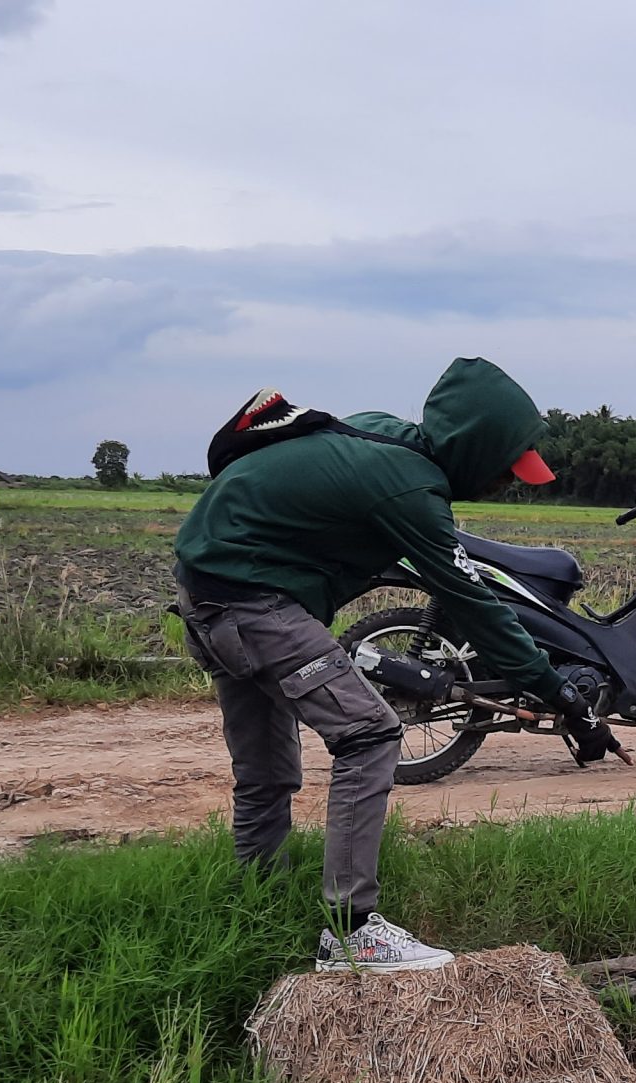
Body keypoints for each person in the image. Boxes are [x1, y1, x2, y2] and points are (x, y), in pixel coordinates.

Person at [171, 357, 605, 971]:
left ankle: (255, 904)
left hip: (206, 592)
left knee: (267, 769)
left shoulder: (384, 434)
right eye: (506, 470)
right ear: (474, 450)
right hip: (251, 603)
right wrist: (561, 695)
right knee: (370, 732)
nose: (508, 484)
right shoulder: (409, 487)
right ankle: (351, 934)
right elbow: (474, 604)